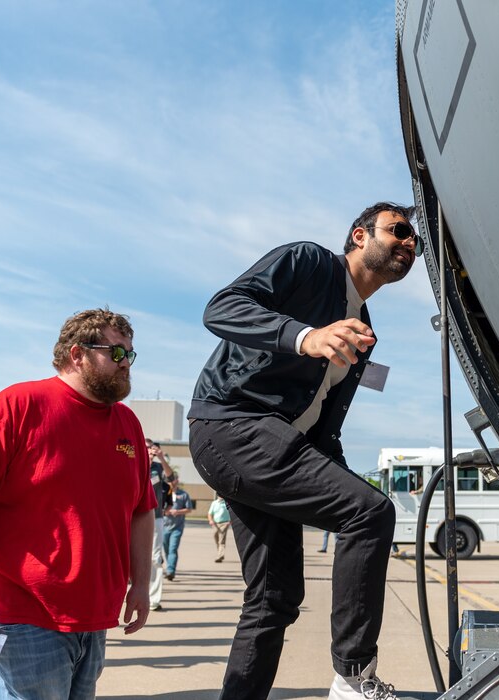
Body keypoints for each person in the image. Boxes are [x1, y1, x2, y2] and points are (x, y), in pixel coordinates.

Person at [188, 202, 418, 700]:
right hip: (232, 426)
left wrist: (339, 475)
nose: (409, 243)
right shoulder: (307, 262)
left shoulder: (365, 328)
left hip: (276, 444)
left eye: (414, 240)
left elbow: (322, 423)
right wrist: (306, 336)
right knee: (371, 514)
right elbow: (220, 308)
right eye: (399, 230)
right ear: (359, 235)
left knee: (275, 598)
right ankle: (354, 676)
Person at [0, 308, 155, 700]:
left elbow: (142, 510)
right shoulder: (18, 405)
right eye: (117, 353)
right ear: (78, 354)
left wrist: (141, 584)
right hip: (21, 613)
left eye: (131, 354)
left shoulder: (128, 423)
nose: (127, 364)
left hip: (94, 617)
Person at [146, 439, 174, 611]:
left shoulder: (158, 468)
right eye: (147, 448)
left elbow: (171, 478)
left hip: (155, 516)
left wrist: (162, 459)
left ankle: (154, 599)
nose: (150, 450)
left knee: (155, 558)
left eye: (153, 448)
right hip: (132, 517)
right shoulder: (133, 463)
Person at [161, 476, 193, 580]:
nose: (171, 482)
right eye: (169, 481)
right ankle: (169, 567)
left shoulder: (183, 494)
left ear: (177, 481)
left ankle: (171, 571)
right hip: (164, 526)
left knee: (172, 549)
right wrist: (164, 512)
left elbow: (189, 509)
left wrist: (177, 512)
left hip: (177, 527)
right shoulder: (164, 493)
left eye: (172, 480)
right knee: (166, 549)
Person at [207, 494, 231, 563]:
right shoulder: (214, 503)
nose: (220, 496)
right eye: (219, 495)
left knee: (221, 540)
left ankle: (220, 556)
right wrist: (210, 520)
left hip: (225, 523)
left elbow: (231, 513)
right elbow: (210, 513)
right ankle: (220, 552)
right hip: (215, 523)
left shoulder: (226, 503)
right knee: (216, 537)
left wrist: (229, 521)